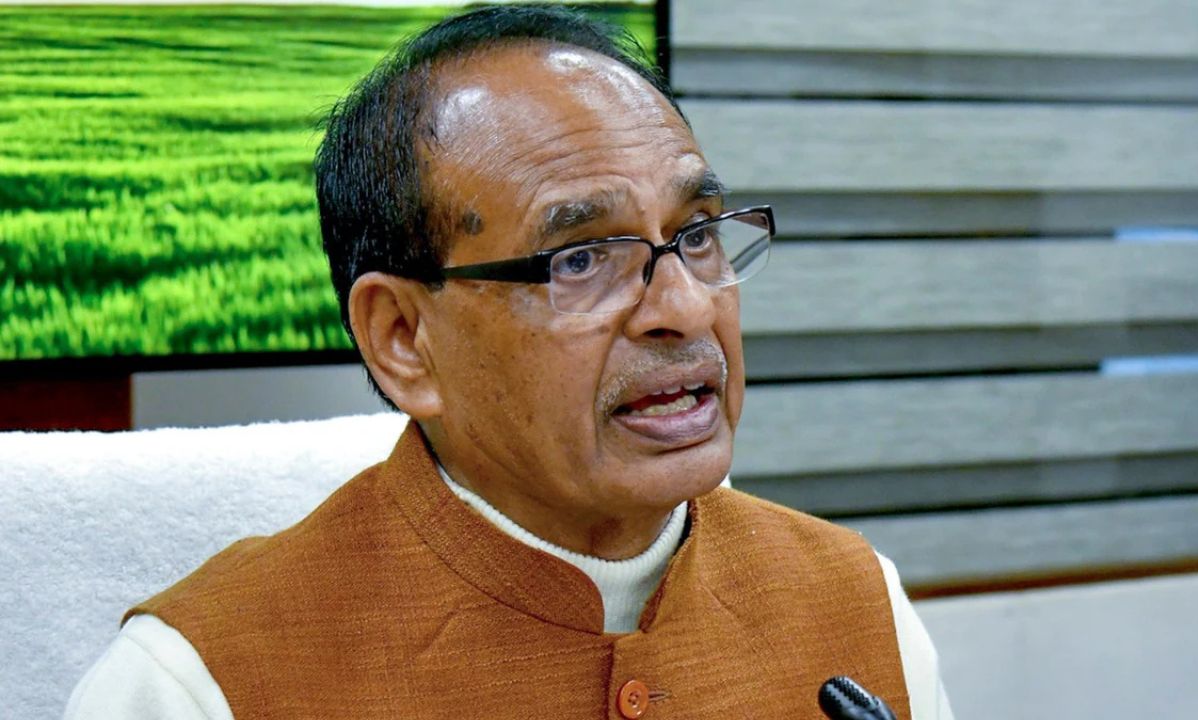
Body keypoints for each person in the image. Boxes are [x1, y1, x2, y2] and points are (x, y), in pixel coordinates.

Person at [66, 6, 952, 719]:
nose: (685, 308)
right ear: (403, 337)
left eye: (696, 235)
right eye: (582, 258)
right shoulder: (196, 686)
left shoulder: (852, 599)